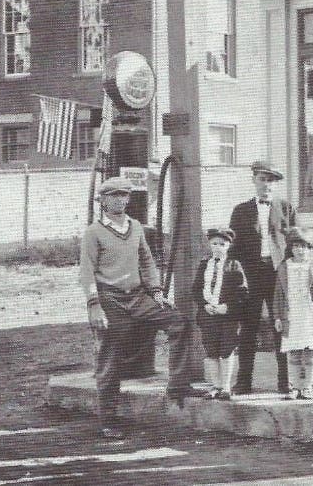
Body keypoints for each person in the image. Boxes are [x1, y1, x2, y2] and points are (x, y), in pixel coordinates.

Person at [80, 176, 197, 439]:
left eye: (124, 195)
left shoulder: (135, 227)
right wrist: (94, 306)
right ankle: (108, 419)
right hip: (110, 298)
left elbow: (146, 260)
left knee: (179, 322)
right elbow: (86, 272)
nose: (120, 200)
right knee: (110, 353)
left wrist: (156, 292)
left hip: (138, 295)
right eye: (113, 196)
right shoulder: (94, 232)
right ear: (103, 201)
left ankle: (178, 386)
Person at [228, 160, 298, 395]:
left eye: (271, 181)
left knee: (281, 325)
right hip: (251, 274)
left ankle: (285, 381)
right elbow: (233, 247)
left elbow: (296, 241)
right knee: (248, 327)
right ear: (254, 180)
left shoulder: (286, 208)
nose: (266, 185)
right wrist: (238, 274)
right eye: (262, 179)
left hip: (278, 273)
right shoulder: (241, 210)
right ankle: (244, 381)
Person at [274, 226, 313, 400]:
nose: (300, 250)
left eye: (304, 247)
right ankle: (293, 387)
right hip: (291, 315)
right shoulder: (284, 268)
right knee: (293, 352)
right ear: (291, 248)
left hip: (309, 314)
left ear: (309, 249)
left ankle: (307, 387)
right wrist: (277, 316)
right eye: (296, 246)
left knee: (309, 352)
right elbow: (277, 294)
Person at [192, 227, 248, 401]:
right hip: (208, 315)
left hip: (227, 316)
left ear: (228, 246)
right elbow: (196, 289)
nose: (218, 247)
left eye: (222, 244)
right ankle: (215, 386)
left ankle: (225, 386)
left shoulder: (234, 265)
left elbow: (242, 291)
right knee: (211, 350)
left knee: (226, 349)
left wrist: (228, 306)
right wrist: (204, 305)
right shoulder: (204, 265)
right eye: (214, 243)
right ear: (209, 244)